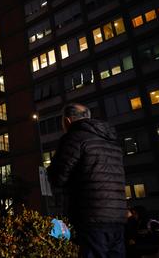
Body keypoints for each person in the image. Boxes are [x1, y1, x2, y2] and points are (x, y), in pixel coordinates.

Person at [47, 103, 126, 258]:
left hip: (90, 215)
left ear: (67, 121)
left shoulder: (74, 137)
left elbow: (58, 177)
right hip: (117, 216)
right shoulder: (110, 141)